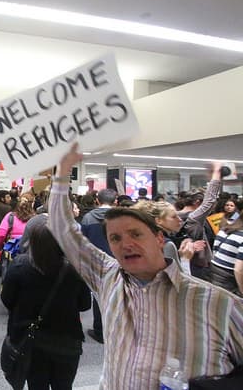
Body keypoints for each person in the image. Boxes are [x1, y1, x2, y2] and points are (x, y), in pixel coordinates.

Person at [48, 143, 243, 389]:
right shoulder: (108, 276)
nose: (125, 244)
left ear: (159, 238)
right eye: (115, 238)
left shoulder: (218, 304)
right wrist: (62, 171)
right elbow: (61, 229)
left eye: (135, 234)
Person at [2, 214, 90, 390]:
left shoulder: (19, 266)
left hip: (31, 342)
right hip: (67, 341)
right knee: (64, 386)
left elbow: (7, 300)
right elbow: (85, 304)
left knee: (36, 385)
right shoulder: (74, 269)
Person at [80, 188, 117, 344]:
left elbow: (82, 242)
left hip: (95, 262)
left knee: (98, 296)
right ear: (115, 201)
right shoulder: (121, 217)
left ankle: (100, 331)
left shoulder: (88, 218)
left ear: (97, 200)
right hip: (118, 261)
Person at [210, 214, 243, 295]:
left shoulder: (225, 230)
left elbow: (215, 251)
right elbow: (238, 270)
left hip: (213, 272)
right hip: (228, 279)